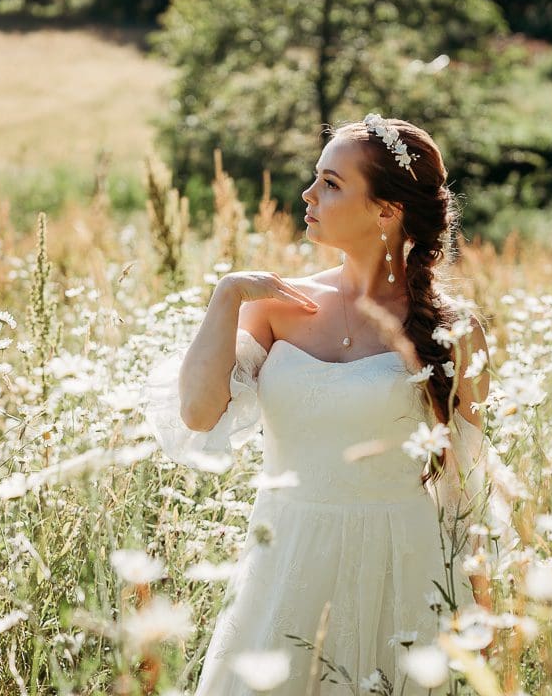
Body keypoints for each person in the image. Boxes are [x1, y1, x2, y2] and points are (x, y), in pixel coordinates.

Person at [141, 114, 491, 695]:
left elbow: (467, 481)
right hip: (287, 554)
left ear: (387, 210)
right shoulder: (276, 304)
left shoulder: (452, 327)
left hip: (403, 564)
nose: (308, 195)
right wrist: (227, 295)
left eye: (331, 183)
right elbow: (198, 415)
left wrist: (483, 609)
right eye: (315, 178)